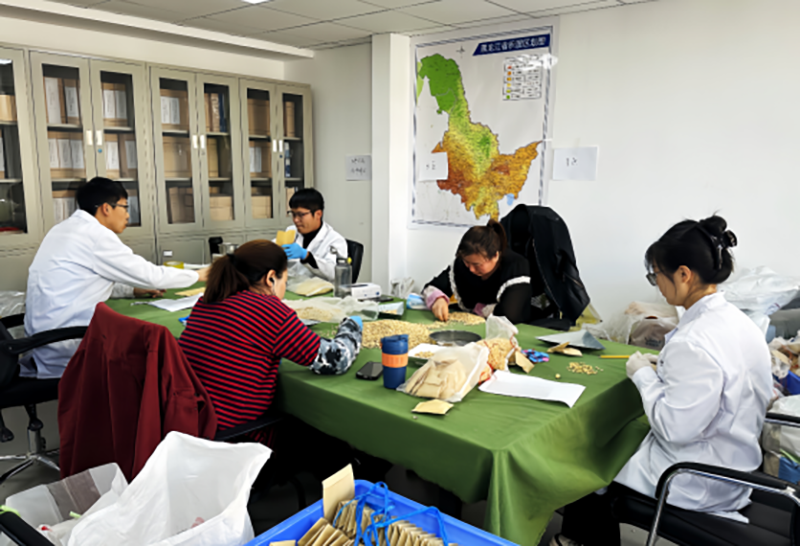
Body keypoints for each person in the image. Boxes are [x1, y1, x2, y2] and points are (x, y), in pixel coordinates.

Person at [551, 216, 772, 546]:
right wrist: (667, 370)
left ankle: (577, 539)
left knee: (590, 454)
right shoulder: (740, 323)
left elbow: (673, 428)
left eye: (657, 274)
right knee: (615, 438)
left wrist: (642, 374)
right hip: (736, 465)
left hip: (693, 478)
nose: (656, 283)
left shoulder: (694, 341)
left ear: (684, 274)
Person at [23, 177, 207, 379]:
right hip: (67, 346)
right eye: (125, 207)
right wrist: (199, 274)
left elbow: (86, 280)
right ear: (106, 208)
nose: (128, 215)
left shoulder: (63, 229)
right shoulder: (96, 235)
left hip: (42, 341)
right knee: (155, 352)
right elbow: (151, 276)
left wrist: (132, 290)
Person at [179, 239, 362, 440]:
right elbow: (336, 359)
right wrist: (351, 327)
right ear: (270, 278)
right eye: (285, 280)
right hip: (239, 438)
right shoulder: (267, 311)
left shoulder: (207, 301)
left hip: (193, 427)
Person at [422, 220, 532, 324]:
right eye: (467, 262)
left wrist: (480, 310)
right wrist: (438, 299)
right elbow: (433, 287)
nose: (471, 269)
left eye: (477, 264)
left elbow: (510, 314)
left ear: (495, 256)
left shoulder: (516, 266)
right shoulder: (462, 265)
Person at [279, 188, 347, 283]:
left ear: (318, 214)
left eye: (301, 215)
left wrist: (307, 257)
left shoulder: (335, 240)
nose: (295, 220)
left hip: (320, 289)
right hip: (292, 285)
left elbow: (334, 273)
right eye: (293, 214)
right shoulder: (291, 231)